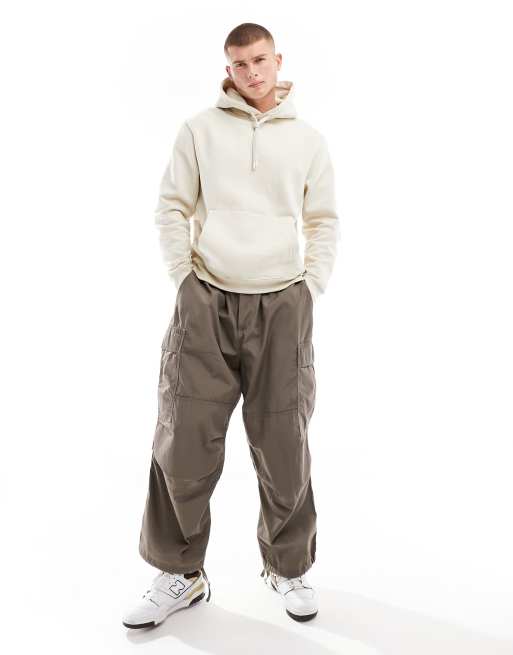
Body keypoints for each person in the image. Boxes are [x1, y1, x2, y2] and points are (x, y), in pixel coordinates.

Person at [122, 22, 340, 629]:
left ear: (278, 60)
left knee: (284, 445)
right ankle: (180, 573)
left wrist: (310, 288)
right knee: (183, 442)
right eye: (240, 64)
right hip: (206, 301)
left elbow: (323, 220)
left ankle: (287, 566)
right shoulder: (199, 130)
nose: (252, 73)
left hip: (282, 304)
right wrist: (183, 279)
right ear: (228, 69)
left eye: (260, 60)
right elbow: (172, 206)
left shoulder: (308, 140)